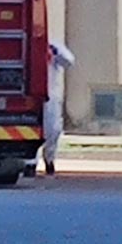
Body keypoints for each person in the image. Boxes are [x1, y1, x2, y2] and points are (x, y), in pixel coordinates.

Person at [42, 41, 75, 176]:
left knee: (53, 130)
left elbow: (69, 61)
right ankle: (30, 163)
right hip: (32, 94)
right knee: (32, 130)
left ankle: (49, 160)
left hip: (51, 95)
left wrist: (55, 52)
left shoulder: (53, 46)